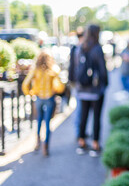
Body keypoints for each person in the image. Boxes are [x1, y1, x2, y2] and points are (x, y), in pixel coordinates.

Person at [71, 24, 108, 157]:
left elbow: (75, 67)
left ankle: (81, 143)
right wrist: (105, 84)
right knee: (96, 117)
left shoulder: (80, 47)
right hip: (95, 90)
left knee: (83, 116)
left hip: (82, 89)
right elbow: (103, 70)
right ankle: (95, 145)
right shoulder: (97, 48)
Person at [22, 50, 65, 156]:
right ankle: (45, 146)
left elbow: (25, 84)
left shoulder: (35, 70)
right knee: (47, 123)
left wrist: (30, 93)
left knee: (39, 121)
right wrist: (55, 90)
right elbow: (60, 87)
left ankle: (37, 141)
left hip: (39, 98)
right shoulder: (53, 69)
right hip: (49, 98)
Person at [68, 27, 84, 137]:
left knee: (81, 107)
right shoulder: (77, 49)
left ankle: (80, 131)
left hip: (78, 82)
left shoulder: (77, 48)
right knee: (79, 108)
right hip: (79, 82)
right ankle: (78, 132)